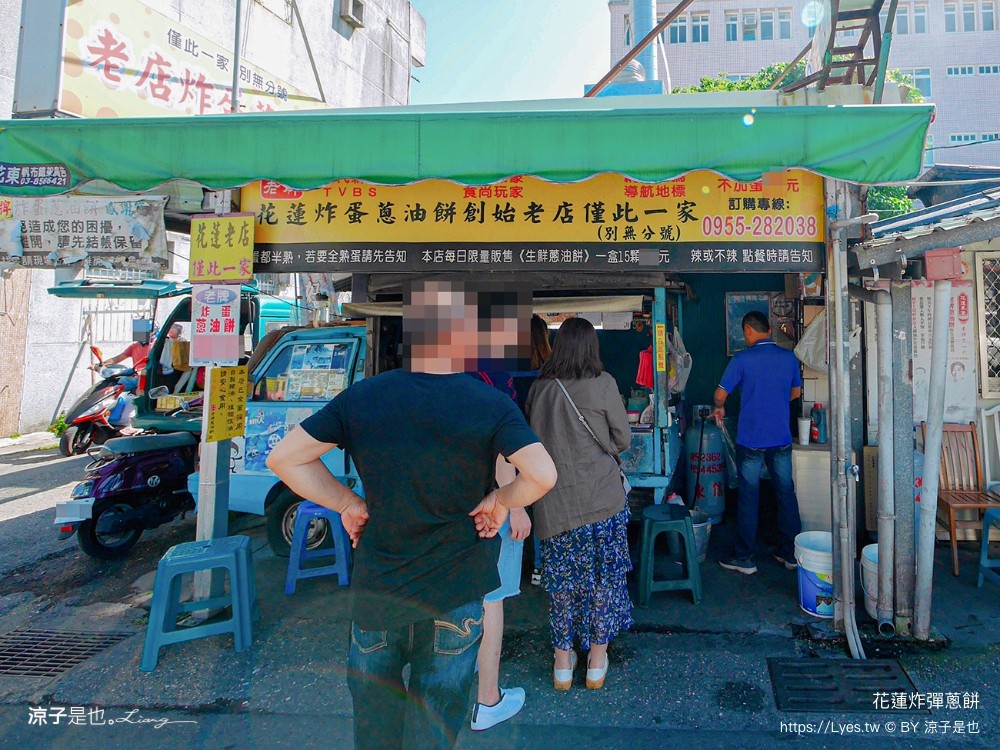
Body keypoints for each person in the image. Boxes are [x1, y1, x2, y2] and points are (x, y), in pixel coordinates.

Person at [266, 279, 557, 750]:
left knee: (375, 721)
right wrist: (501, 502)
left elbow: (284, 458)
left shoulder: (362, 397)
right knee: (436, 721)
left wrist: (347, 503)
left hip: (381, 584)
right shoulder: (490, 403)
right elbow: (542, 474)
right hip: (457, 592)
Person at [526, 316, 633, 691]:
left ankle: (562, 665)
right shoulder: (604, 385)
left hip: (553, 506)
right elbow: (622, 440)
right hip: (602, 501)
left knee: (562, 586)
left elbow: (530, 447)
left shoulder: (539, 390)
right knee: (604, 583)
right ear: (591, 348)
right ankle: (597, 662)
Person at [712, 310, 803, 576]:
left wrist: (719, 407)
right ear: (768, 330)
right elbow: (795, 392)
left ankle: (745, 558)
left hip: (750, 440)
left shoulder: (742, 359)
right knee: (786, 493)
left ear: (748, 331)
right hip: (781, 439)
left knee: (748, 497)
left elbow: (720, 394)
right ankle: (791, 554)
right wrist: (774, 403)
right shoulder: (788, 358)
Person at [466, 371, 531, 732]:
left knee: (462, 593)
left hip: (453, 505)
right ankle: (488, 700)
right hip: (492, 506)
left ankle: (463, 668)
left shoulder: (440, 379)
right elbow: (502, 453)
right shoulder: (491, 380)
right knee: (492, 598)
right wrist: (516, 505)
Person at [157, 324, 185, 393]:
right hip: (162, 370)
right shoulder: (164, 340)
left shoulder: (182, 342)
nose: (172, 330)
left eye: (175, 329)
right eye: (171, 328)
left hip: (176, 369)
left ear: (180, 333)